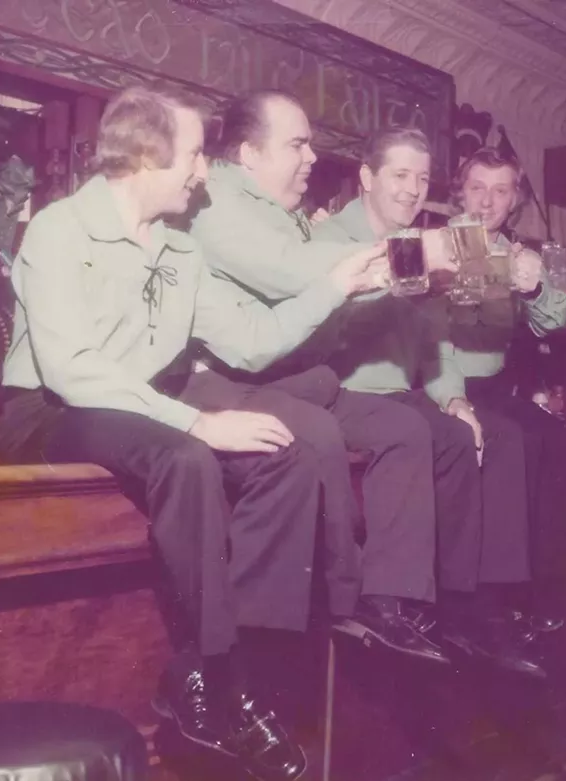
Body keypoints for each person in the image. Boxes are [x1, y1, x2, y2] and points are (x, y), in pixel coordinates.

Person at [0, 86, 389, 781]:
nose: (205, 172)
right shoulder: (58, 230)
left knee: (282, 451)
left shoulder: (180, 252)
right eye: (197, 155)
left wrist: (336, 286)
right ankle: (223, 670)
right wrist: (199, 420)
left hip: (135, 407)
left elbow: (256, 342)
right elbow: (75, 373)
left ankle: (224, 675)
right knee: (189, 454)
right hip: (45, 409)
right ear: (147, 156)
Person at [188, 89, 457, 665]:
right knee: (319, 432)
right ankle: (347, 603)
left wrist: (401, 281)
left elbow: (325, 301)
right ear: (249, 154)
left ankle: (390, 601)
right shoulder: (218, 205)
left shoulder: (282, 213)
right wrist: (409, 255)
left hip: (289, 378)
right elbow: (292, 275)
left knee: (406, 429)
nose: (312, 157)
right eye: (297, 144)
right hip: (232, 382)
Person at [311, 127, 545, 677]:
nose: (413, 189)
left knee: (464, 434)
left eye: (421, 179)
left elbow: (435, 336)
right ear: (367, 178)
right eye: (400, 175)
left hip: (400, 393)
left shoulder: (416, 242)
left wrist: (455, 399)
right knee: (413, 432)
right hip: (339, 392)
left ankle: (456, 605)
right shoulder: (327, 240)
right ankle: (387, 601)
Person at [445, 146, 566, 627]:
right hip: (439, 382)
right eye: (477, 188)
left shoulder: (516, 255)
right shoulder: (433, 244)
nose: (487, 202)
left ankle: (539, 595)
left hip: (491, 388)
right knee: (516, 444)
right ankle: (493, 602)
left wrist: (534, 287)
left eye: (501, 191)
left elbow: (556, 323)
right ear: (459, 192)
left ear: (514, 201)